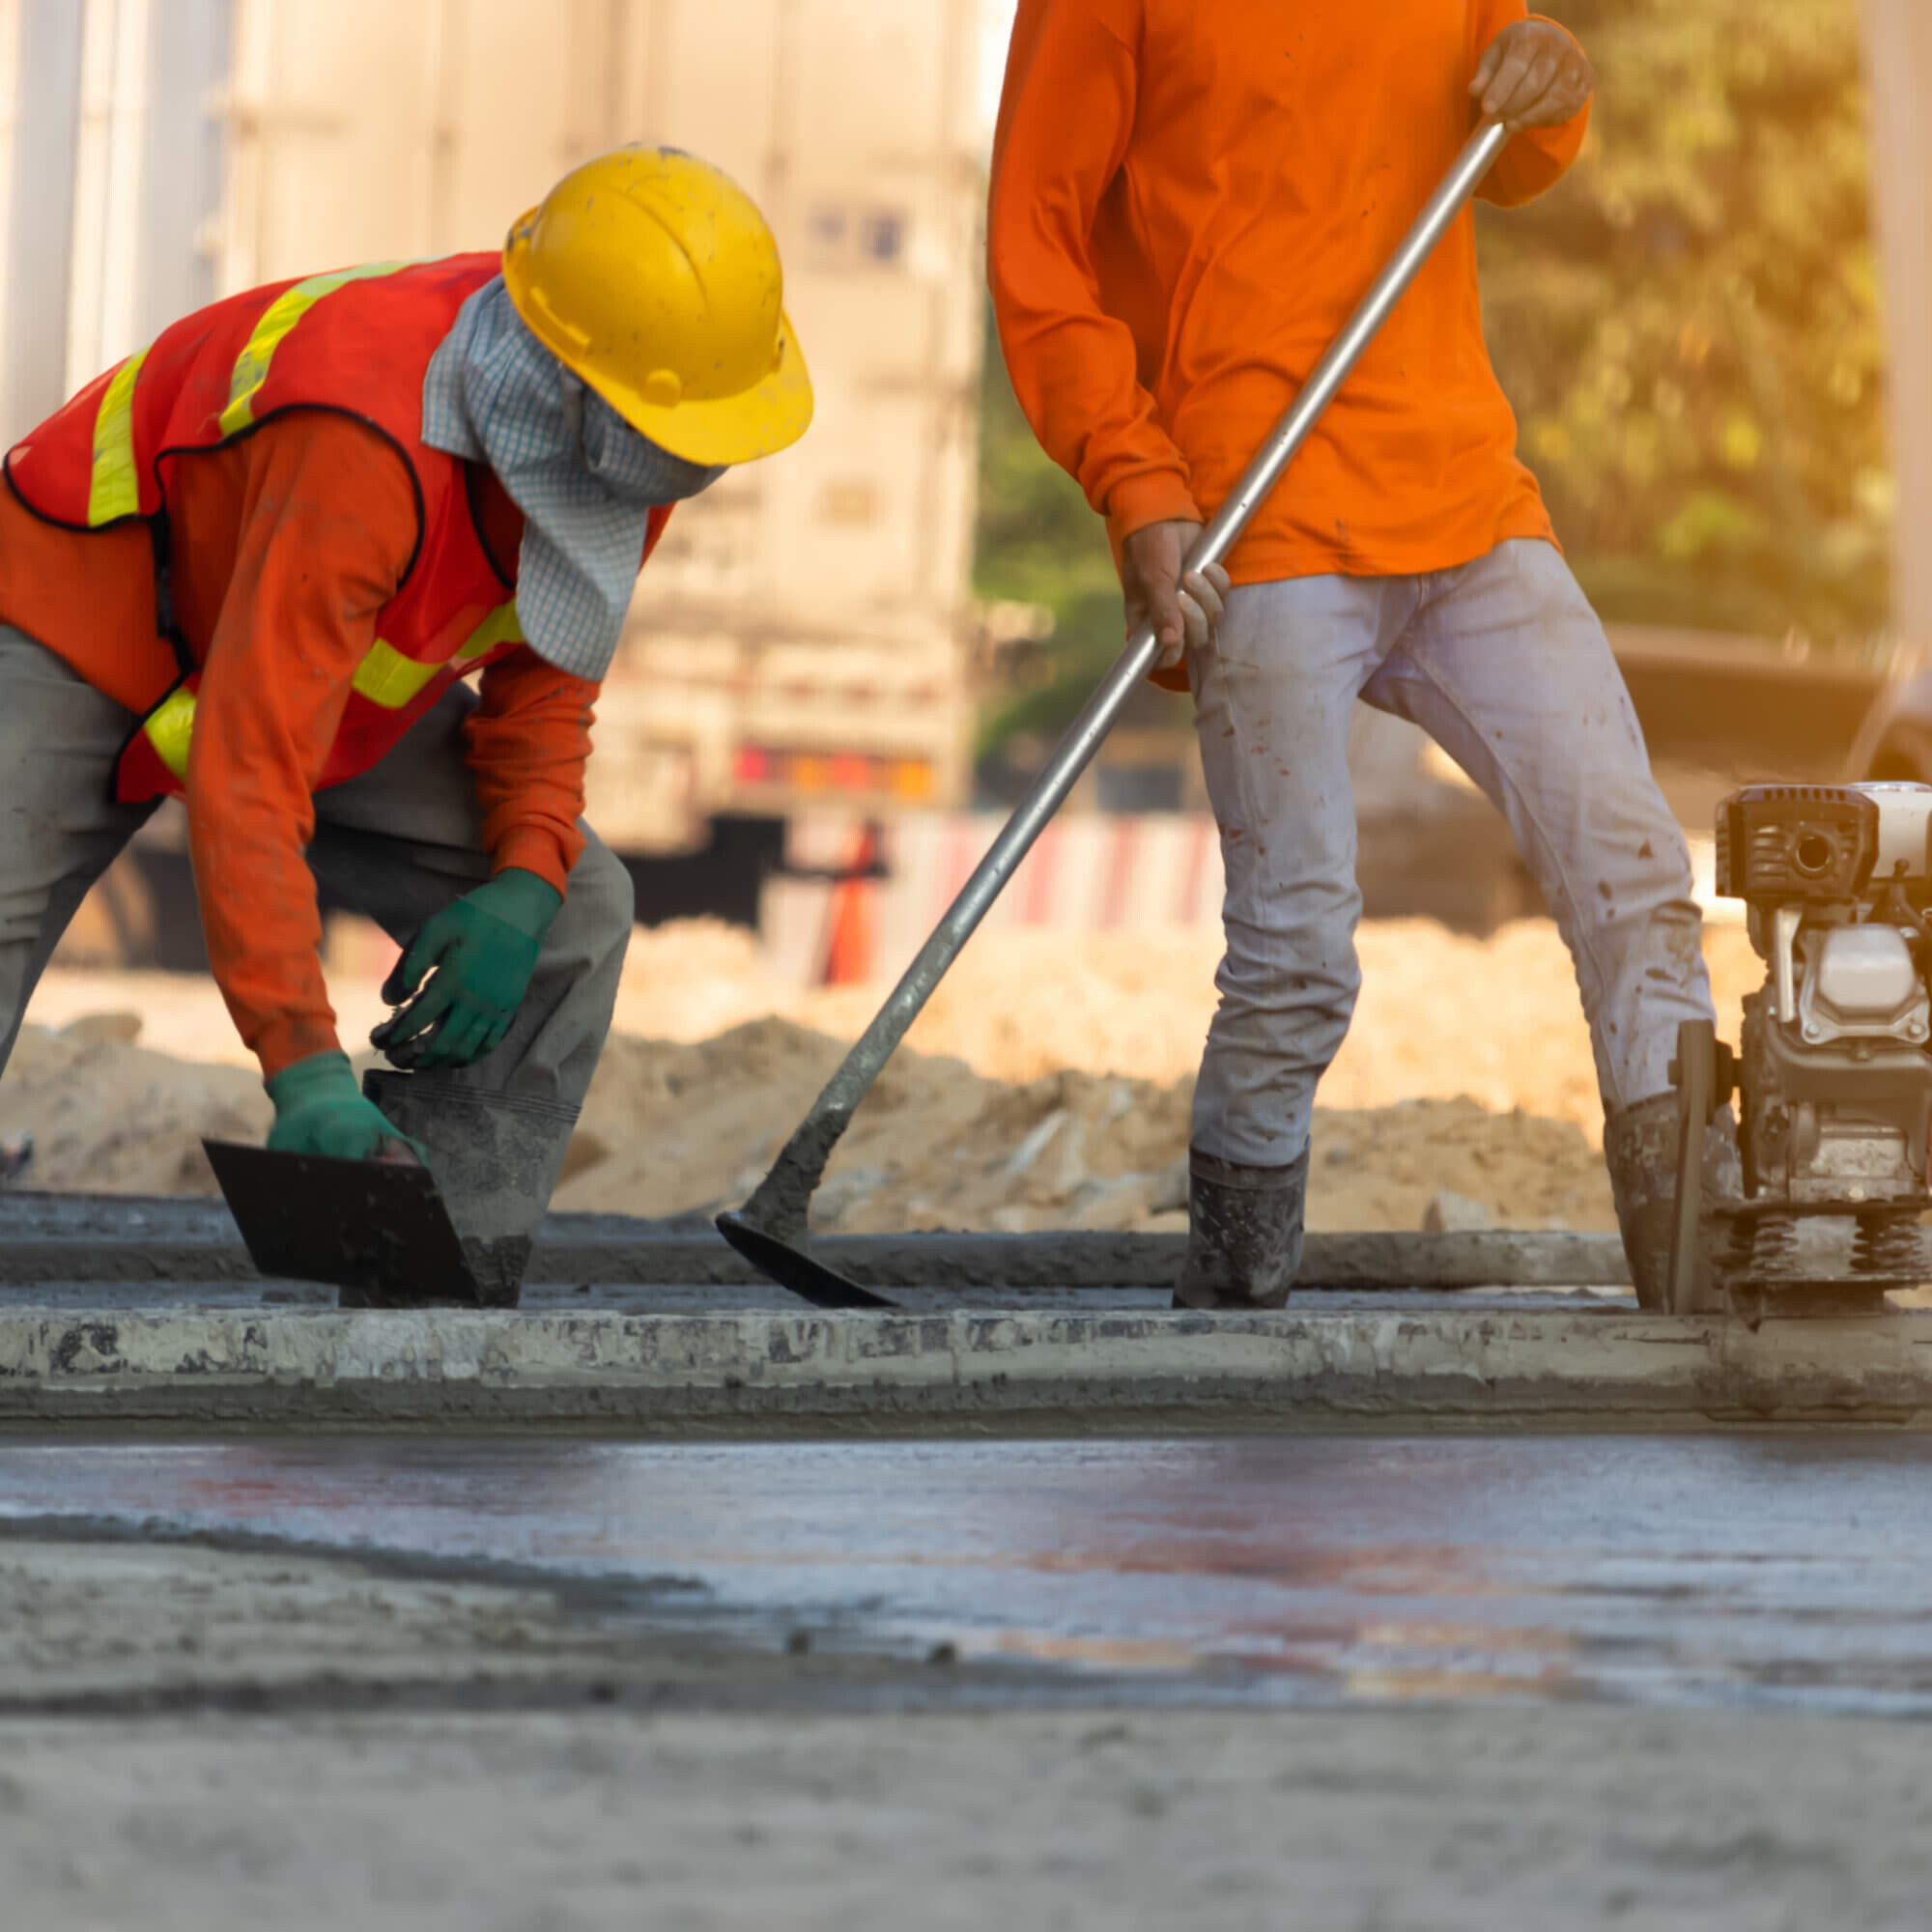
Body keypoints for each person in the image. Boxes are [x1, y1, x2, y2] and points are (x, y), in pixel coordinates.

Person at [988, 4, 1734, 1311]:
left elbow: (1519, 135)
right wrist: (1132, 476)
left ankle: (1692, 1282)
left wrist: (1555, 79)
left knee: (1639, 883)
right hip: (1257, 512)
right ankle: (1234, 1294)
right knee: (1295, 958)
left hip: (1464, 494)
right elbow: (1036, 252)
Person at [0, 145, 812, 1294]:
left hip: (307, 658)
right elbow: (247, 771)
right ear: (562, 389)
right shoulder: (364, 436)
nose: (678, 478)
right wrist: (303, 1067)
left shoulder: (624, 443)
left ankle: (430, 1266)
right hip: (89, 599)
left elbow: (548, 678)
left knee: (579, 908)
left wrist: (526, 879)